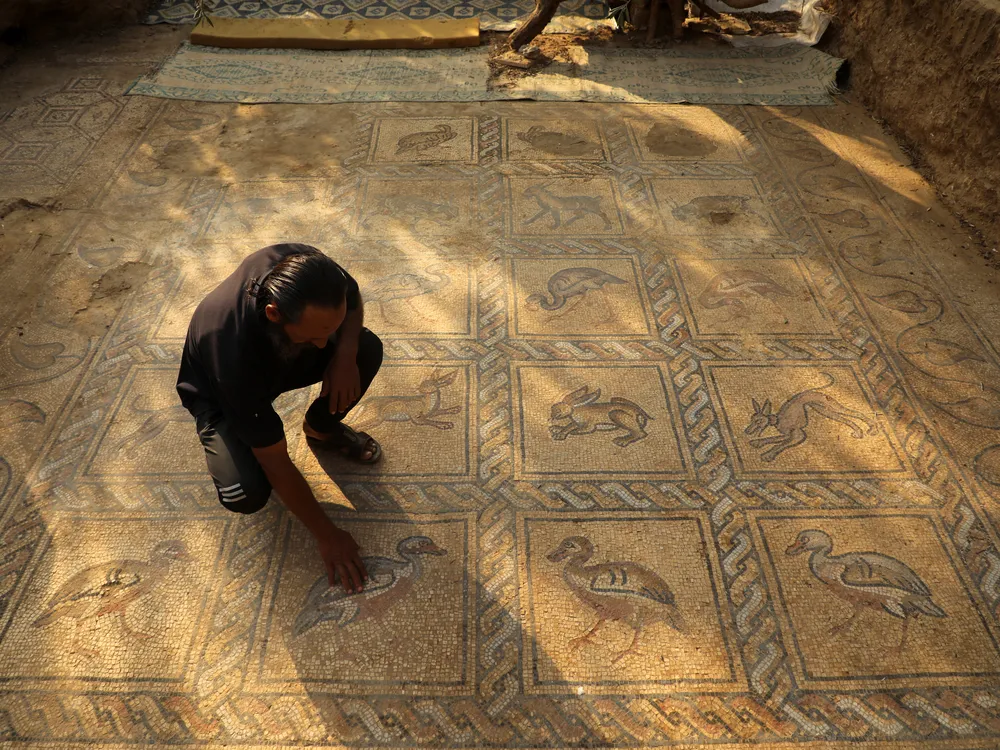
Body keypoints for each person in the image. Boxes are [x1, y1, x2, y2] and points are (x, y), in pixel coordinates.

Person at [176, 243, 382, 593]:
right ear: (274, 314)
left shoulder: (308, 271)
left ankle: (320, 430)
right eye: (317, 335)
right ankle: (231, 433)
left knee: (366, 348)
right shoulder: (232, 355)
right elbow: (277, 462)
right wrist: (326, 534)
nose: (322, 345)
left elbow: (353, 297)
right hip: (219, 390)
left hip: (282, 349)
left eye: (327, 332)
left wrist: (344, 354)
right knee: (245, 492)